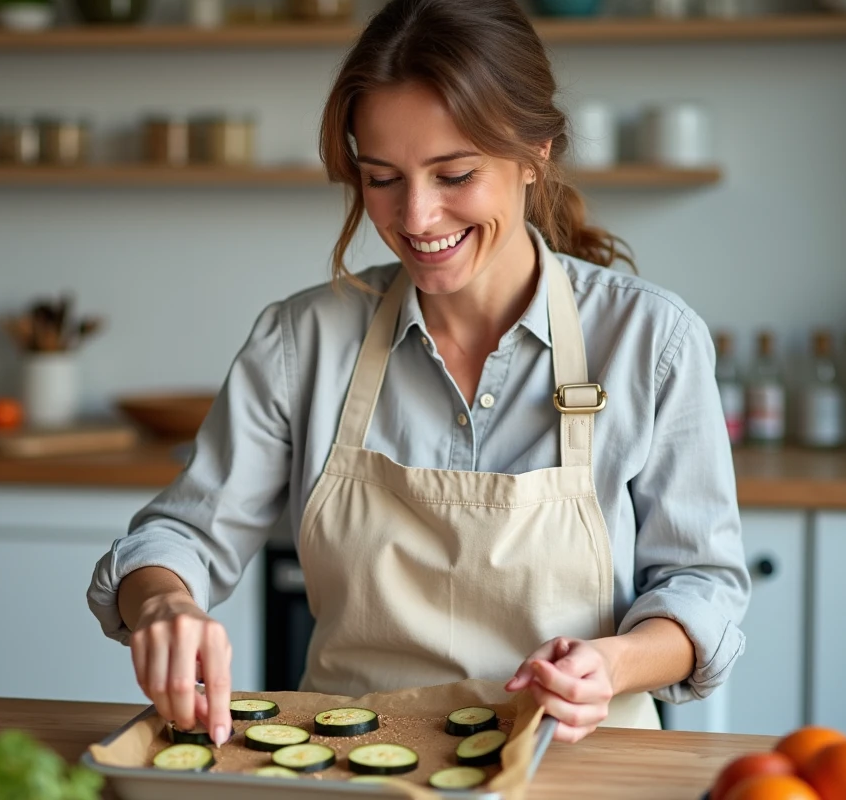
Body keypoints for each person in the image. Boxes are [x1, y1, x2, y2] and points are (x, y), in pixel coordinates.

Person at [88, 0, 749, 746]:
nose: (417, 216)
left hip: (582, 763)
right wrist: (164, 606)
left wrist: (619, 660)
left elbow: (702, 588)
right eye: (381, 179)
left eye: (455, 174)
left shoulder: (651, 340)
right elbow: (180, 536)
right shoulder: (301, 341)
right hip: (351, 764)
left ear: (536, 154)